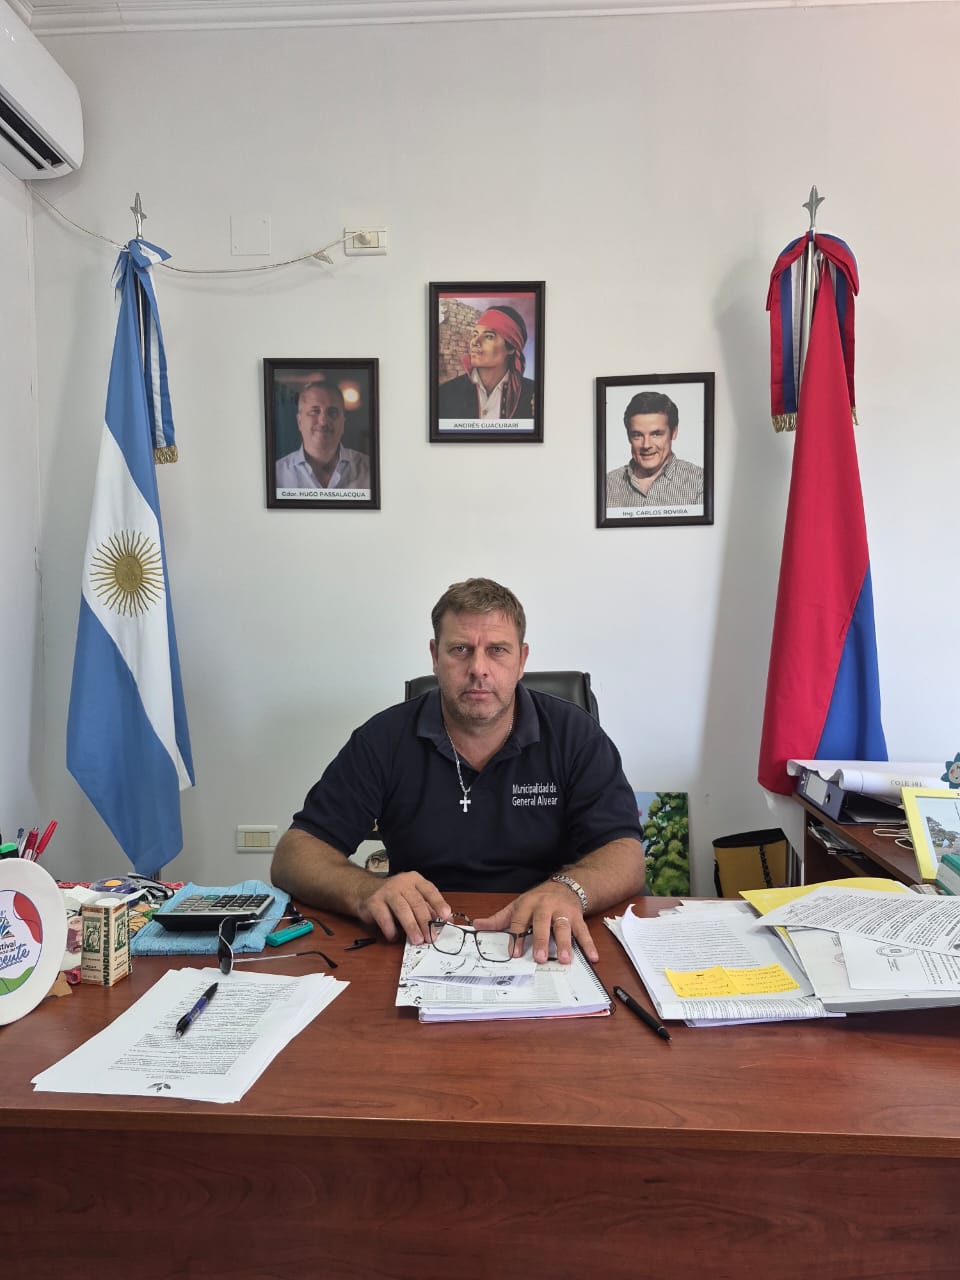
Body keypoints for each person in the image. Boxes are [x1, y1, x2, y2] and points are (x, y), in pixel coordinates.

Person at [271, 578, 645, 965]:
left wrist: (569, 890)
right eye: (460, 649)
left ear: (522, 660)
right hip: (422, 940)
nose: (478, 669)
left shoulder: (575, 734)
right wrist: (366, 891)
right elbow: (294, 855)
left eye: (497, 650)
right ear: (435, 656)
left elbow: (626, 855)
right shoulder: (383, 738)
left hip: (545, 939)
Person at [605, 390, 703, 509]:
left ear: (674, 433)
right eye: (637, 435)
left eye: (656, 434)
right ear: (628, 436)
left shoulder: (700, 483)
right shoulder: (607, 485)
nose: (646, 445)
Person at [437, 306, 535, 422]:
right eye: (475, 335)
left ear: (511, 347)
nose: (475, 342)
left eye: (488, 336)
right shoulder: (446, 392)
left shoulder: (532, 393)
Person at [275, 381, 371, 491]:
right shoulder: (278, 474)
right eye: (315, 411)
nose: (323, 421)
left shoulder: (370, 469)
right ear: (299, 422)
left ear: (343, 422)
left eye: (332, 412)